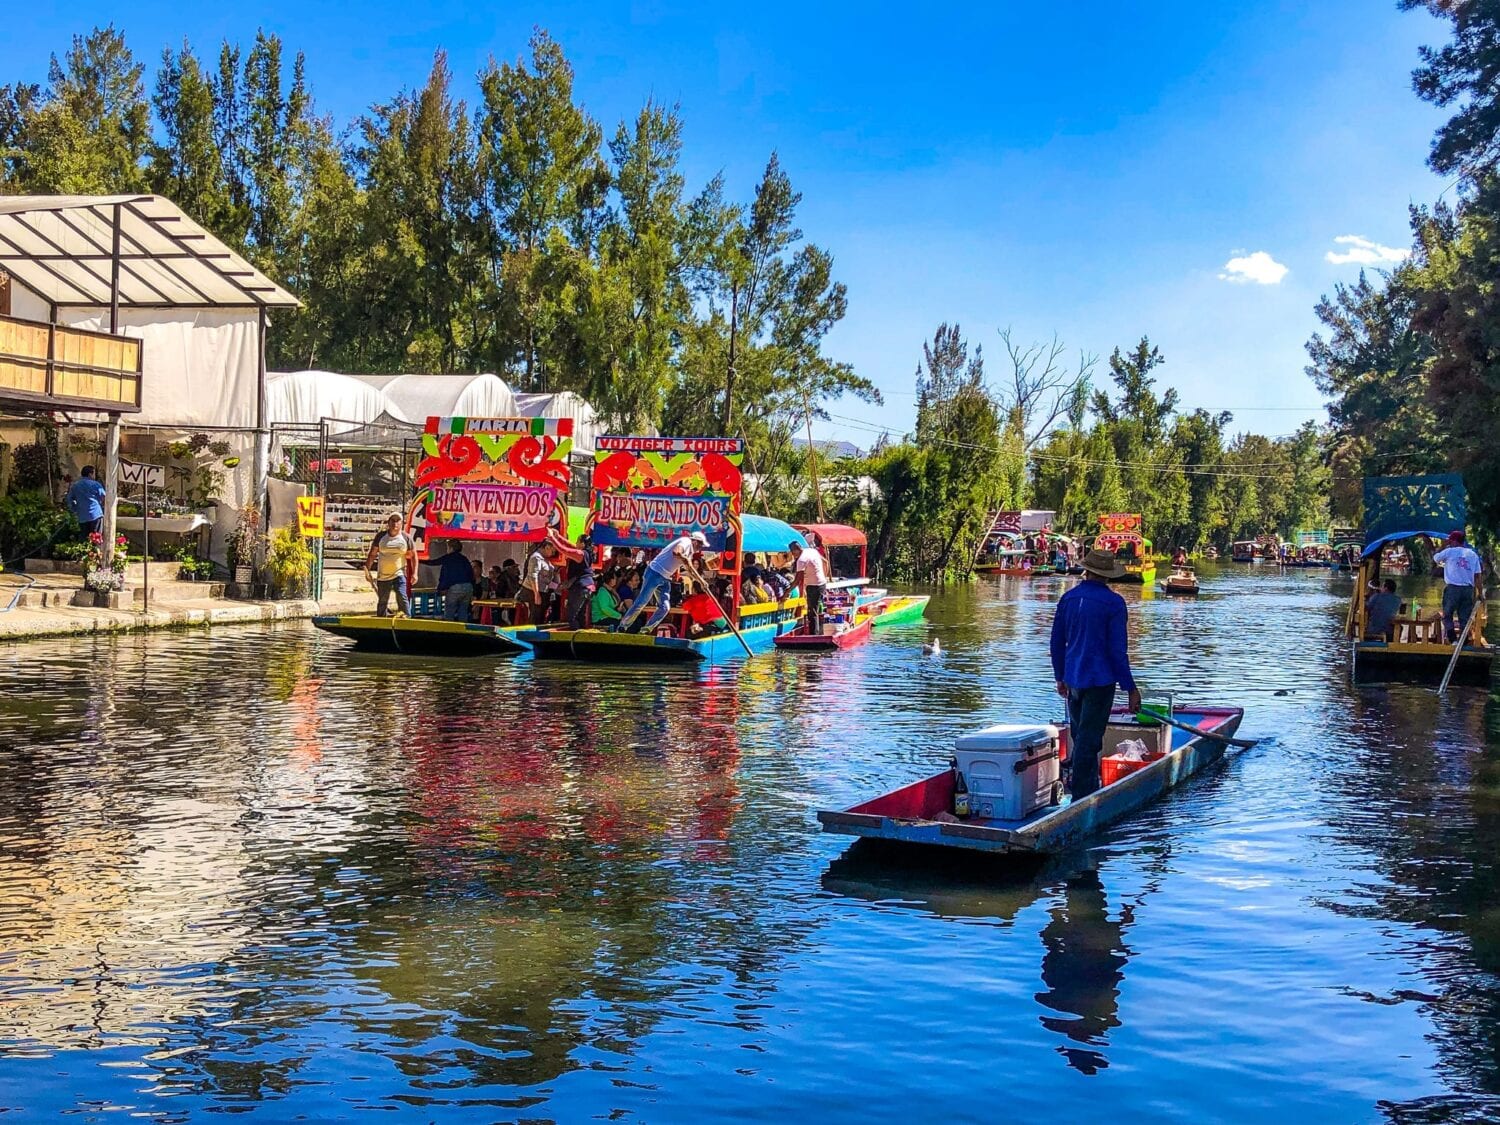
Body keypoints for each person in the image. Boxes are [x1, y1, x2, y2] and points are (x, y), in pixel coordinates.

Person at [1049, 548, 1142, 800]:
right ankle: (1082, 798)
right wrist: (1131, 688)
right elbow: (1117, 651)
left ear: (1087, 571)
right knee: (1089, 741)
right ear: (1107, 575)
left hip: (1073, 678)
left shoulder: (1068, 598)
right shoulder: (1113, 603)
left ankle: (1086, 786)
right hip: (1100, 680)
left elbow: (1057, 642)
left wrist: (1060, 676)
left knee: (1081, 737)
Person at [619, 531, 710, 633]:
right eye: (700, 544)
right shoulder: (686, 541)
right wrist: (686, 560)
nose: (700, 547)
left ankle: (645, 630)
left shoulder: (690, 552)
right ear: (695, 541)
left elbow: (690, 569)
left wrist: (701, 581)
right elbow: (676, 552)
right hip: (654, 572)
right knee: (642, 602)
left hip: (665, 577)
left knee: (665, 607)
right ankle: (623, 626)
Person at [1432, 530, 1485, 644]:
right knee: (1464, 617)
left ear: (1454, 541)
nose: (1449, 542)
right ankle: (1463, 641)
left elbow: (1435, 558)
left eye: (1450, 540)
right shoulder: (1472, 554)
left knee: (1447, 614)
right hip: (1468, 590)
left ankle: (1452, 639)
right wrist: (1480, 593)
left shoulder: (1449, 551)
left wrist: (1442, 546)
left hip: (1453, 589)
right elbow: (1478, 576)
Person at [364, 513, 416, 617]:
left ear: (401, 523)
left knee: (402, 595)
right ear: (389, 522)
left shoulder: (406, 538)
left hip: (399, 573)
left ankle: (406, 617)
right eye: (393, 520)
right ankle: (381, 619)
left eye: (398, 521)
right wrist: (367, 569)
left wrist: (415, 573)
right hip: (383, 574)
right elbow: (373, 553)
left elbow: (414, 556)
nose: (395, 523)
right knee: (383, 599)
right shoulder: (381, 536)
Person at [787, 539, 829, 634]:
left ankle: (813, 635)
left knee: (812, 611)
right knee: (818, 608)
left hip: (813, 586)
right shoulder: (812, 551)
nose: (793, 556)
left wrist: (786, 593)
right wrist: (824, 577)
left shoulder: (801, 560)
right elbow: (825, 562)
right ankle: (820, 632)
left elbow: (797, 580)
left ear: (796, 550)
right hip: (822, 584)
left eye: (793, 553)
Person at [434, 540, 475, 622]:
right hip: (468, 587)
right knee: (463, 611)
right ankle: (462, 630)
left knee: (449, 611)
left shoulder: (449, 558)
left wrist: (441, 588)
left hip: (455, 588)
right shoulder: (464, 559)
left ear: (451, 548)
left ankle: (450, 630)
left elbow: (444, 574)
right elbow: (471, 573)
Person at [519, 542, 558, 625]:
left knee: (540, 617)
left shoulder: (545, 558)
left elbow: (544, 578)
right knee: (535, 617)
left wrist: (556, 586)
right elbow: (533, 576)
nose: (553, 554)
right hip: (532, 591)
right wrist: (536, 594)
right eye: (553, 551)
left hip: (543, 590)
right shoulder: (536, 557)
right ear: (547, 547)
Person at [66, 465, 107, 536]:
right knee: (96, 538)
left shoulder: (75, 486)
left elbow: (69, 499)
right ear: (90, 474)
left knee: (85, 538)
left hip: (82, 516)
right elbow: (104, 497)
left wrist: (74, 509)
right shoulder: (96, 484)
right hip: (95, 514)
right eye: (94, 473)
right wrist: (102, 506)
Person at [565, 558, 597, 629]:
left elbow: (574, 577)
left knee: (572, 614)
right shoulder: (588, 560)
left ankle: (574, 633)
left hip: (580, 586)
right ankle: (581, 632)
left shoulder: (576, 560)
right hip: (589, 586)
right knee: (581, 614)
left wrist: (566, 585)